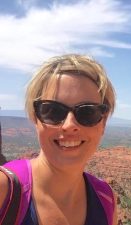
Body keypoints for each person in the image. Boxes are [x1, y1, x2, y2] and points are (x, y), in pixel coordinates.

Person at [0, 54, 117, 225]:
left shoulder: (106, 198)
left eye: (88, 112)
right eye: (53, 111)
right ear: (35, 117)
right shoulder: (4, 191)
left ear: (104, 122)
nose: (69, 125)